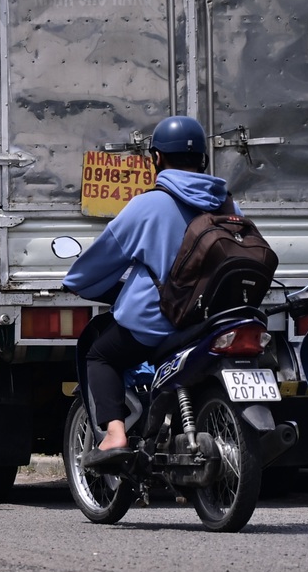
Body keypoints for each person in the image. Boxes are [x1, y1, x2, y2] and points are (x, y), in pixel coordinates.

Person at [61, 116, 232, 467]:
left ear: (156, 159)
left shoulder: (148, 205)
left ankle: (115, 434)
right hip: (214, 320)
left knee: (100, 355)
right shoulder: (227, 203)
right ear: (203, 159)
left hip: (162, 322)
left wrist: (77, 281)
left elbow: (101, 260)